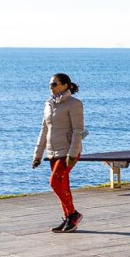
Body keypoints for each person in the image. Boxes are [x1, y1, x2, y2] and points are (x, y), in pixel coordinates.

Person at [33, 73, 86, 233]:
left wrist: (72, 153)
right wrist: (37, 155)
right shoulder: (48, 104)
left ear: (65, 85)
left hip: (68, 151)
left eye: (54, 84)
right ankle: (68, 218)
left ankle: (73, 214)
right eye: (50, 84)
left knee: (54, 182)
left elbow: (78, 131)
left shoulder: (74, 104)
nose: (51, 87)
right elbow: (44, 130)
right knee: (63, 185)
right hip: (52, 152)